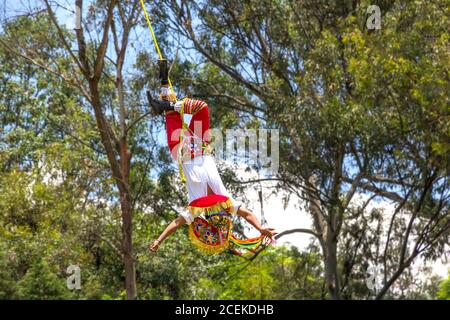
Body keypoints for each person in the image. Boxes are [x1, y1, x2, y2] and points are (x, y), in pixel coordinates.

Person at [148, 60, 276, 253]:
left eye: (216, 216)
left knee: (170, 115)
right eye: (221, 216)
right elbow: (247, 214)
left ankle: (164, 83)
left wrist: (159, 240)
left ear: (208, 217)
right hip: (201, 142)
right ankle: (166, 103)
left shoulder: (195, 209)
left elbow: (176, 223)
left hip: (181, 149)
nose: (219, 212)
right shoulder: (226, 201)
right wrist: (260, 228)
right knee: (201, 107)